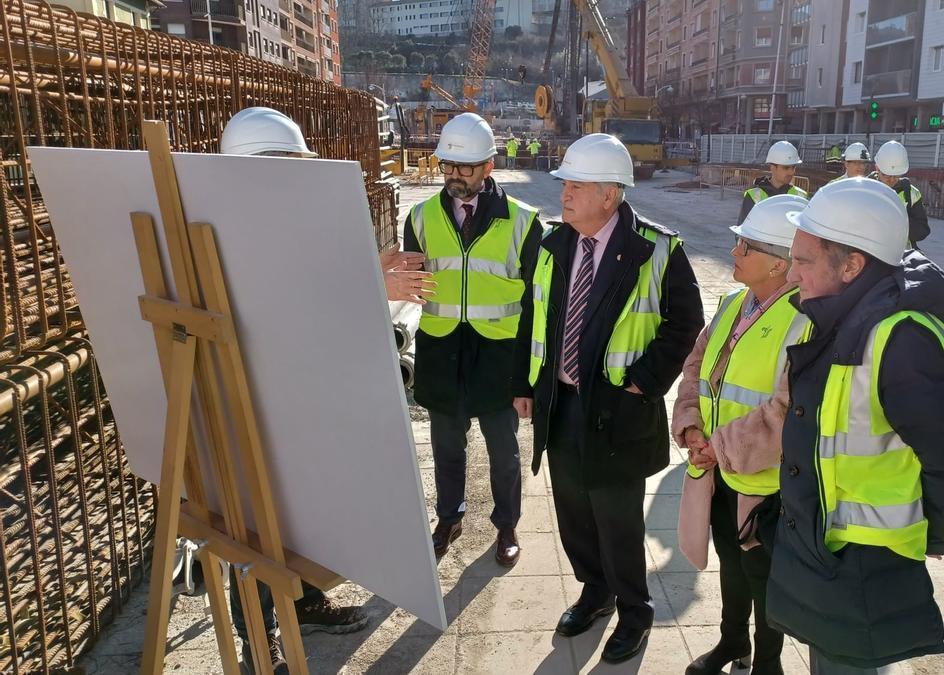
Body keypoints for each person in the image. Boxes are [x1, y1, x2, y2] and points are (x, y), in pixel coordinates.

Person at [768, 177, 944, 673]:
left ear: (852, 265)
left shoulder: (899, 341)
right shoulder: (834, 319)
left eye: (803, 261)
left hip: (865, 567)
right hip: (825, 552)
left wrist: (927, 539)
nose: (790, 273)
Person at [512, 133, 704, 664]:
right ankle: (594, 592)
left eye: (576, 186)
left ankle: (634, 611)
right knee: (573, 509)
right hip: (563, 403)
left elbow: (686, 323)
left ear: (610, 196)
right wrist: (525, 384)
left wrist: (644, 380)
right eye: (565, 185)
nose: (565, 195)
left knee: (617, 518)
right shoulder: (554, 244)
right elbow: (534, 316)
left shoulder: (658, 249)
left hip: (619, 409)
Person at [219, 106, 370, 674]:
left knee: (303, 512)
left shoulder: (292, 220)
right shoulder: (221, 227)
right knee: (252, 528)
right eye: (286, 165)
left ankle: (304, 601)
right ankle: (259, 636)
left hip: (301, 397)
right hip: (247, 402)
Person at [673, 194, 810, 675]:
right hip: (718, 472)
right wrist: (689, 424)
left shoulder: (802, 319)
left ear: (777, 264)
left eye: (744, 246)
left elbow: (787, 408)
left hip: (762, 482)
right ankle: (733, 643)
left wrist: (721, 446)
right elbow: (696, 365)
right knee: (731, 565)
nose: (733, 254)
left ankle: (768, 663)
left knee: (763, 578)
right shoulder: (734, 302)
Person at [403, 112, 543, 566]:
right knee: (446, 446)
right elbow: (410, 283)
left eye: (464, 167)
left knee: (504, 449)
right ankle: (449, 518)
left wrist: (527, 378)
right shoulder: (420, 217)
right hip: (442, 350)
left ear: (489, 166)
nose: (454, 176)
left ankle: (506, 526)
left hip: (499, 356)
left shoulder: (524, 222)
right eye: (447, 165)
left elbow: (537, 307)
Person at [871, 140, 930, 247]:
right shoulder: (866, 190)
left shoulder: (911, 194)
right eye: (886, 175)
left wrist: (897, 221)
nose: (892, 180)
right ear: (877, 168)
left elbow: (922, 231)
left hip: (901, 255)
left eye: (896, 175)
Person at [737, 141, 808, 226]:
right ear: (773, 168)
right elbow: (742, 230)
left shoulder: (801, 196)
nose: (791, 172)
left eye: (793, 167)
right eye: (786, 168)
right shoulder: (754, 196)